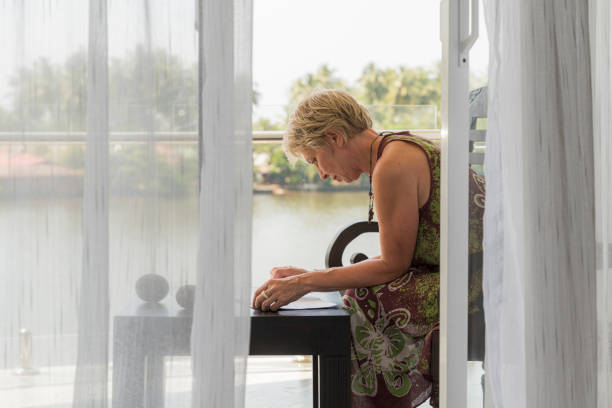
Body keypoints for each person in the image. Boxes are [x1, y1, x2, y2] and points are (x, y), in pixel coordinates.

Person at [252, 89, 485, 407]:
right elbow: (399, 256)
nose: (321, 174)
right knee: (361, 292)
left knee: (363, 299)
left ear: (335, 137)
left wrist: (305, 282)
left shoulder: (392, 166)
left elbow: (394, 265)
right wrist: (313, 275)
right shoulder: (395, 149)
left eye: (315, 160)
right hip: (469, 267)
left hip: (479, 281)